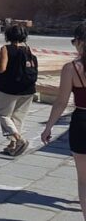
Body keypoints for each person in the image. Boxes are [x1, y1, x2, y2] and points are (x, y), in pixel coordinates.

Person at [42, 22, 86, 214]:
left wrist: (48, 127)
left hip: (82, 122)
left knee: (84, 180)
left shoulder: (72, 68)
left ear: (80, 42)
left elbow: (61, 102)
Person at [0, 25, 35, 156]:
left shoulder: (6, 49)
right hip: (28, 88)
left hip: (10, 88)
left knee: (3, 115)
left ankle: (19, 140)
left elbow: (2, 68)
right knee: (17, 117)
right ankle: (12, 145)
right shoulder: (28, 49)